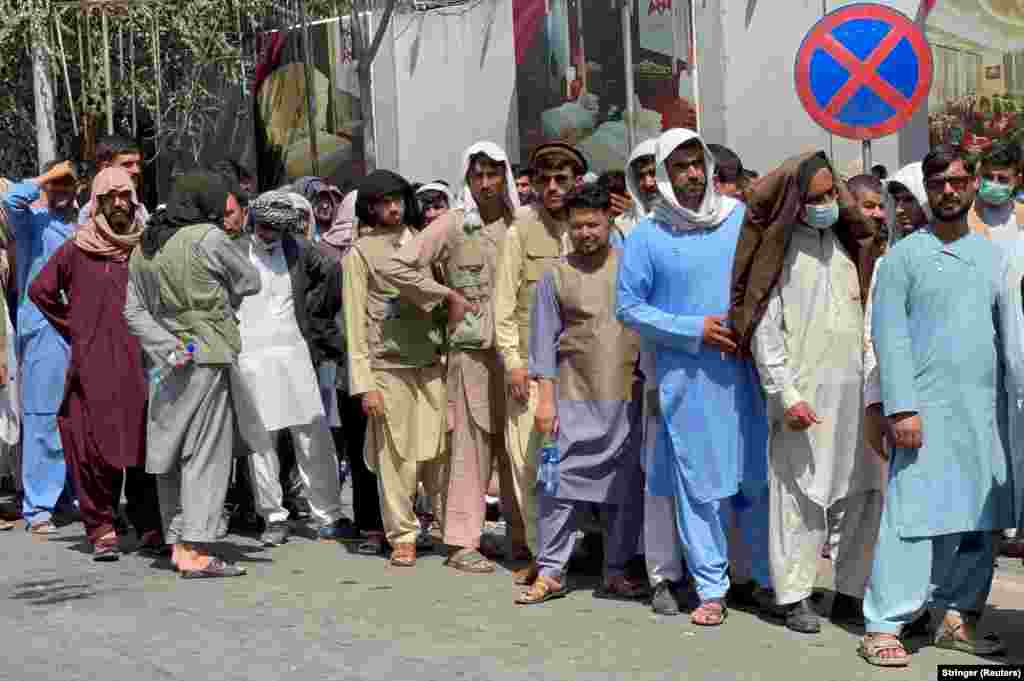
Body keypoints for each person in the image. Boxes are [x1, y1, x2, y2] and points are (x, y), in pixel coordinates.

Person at [860, 146, 1012, 666]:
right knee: (910, 518)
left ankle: (956, 616)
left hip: (985, 414)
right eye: (938, 182)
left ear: (970, 184)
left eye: (957, 180)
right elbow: (889, 338)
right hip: (922, 413)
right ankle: (884, 623)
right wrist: (900, 408)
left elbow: (1008, 336)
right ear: (927, 189)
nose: (949, 190)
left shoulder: (994, 256)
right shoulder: (901, 258)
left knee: (981, 517)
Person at [617, 129, 770, 627]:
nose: (691, 175)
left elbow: (764, 281)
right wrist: (693, 329)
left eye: (696, 164)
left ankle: (759, 579)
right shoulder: (647, 236)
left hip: (744, 370)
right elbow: (629, 307)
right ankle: (710, 587)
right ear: (662, 175)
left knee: (751, 478)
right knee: (697, 483)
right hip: (685, 377)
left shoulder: (739, 221)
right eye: (679, 166)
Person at [734, 151, 885, 633]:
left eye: (830, 196)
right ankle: (795, 594)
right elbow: (765, 332)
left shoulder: (848, 249)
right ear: (795, 201)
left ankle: (851, 591)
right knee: (798, 497)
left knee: (861, 496)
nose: (825, 205)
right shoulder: (780, 254)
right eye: (814, 197)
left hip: (855, 396)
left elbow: (867, 322)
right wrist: (786, 396)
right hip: (803, 400)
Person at [379, 142, 520, 573]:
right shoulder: (455, 225)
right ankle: (461, 542)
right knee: (471, 447)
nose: (486, 183)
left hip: (517, 354)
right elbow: (398, 267)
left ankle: (524, 538)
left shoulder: (521, 224)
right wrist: (446, 296)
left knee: (517, 447)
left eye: (494, 173)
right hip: (472, 353)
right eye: (477, 174)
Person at [124, 171, 259, 578]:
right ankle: (194, 548)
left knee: (170, 451)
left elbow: (133, 312)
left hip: (168, 360)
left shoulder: (144, 246)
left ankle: (178, 539)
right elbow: (250, 281)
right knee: (205, 451)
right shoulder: (207, 237)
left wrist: (167, 346)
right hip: (208, 352)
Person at [516, 183, 646, 605]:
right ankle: (552, 570)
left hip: (628, 397)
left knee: (624, 488)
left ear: (609, 221)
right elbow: (542, 345)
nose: (586, 232)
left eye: (593, 224)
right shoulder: (555, 276)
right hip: (572, 398)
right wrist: (546, 401)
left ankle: (616, 570)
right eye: (578, 226)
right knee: (557, 486)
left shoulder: (632, 268)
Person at [27, 167, 163, 560]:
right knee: (94, 448)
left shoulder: (146, 245)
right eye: (111, 197)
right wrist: (76, 327)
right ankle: (101, 527)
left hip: (142, 363)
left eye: (125, 196)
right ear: (98, 203)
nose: (119, 204)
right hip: (94, 363)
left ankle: (150, 524)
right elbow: (42, 290)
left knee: (143, 444)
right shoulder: (78, 247)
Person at [232, 191, 351, 547]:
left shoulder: (298, 249)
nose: (270, 234)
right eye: (265, 226)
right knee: (262, 439)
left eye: (277, 229)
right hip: (251, 354)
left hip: (294, 352)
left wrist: (316, 316)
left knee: (312, 429)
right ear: (254, 222)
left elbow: (332, 271)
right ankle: (273, 517)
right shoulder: (235, 249)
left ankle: (328, 513)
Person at [342, 170, 447, 568]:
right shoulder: (359, 254)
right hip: (387, 368)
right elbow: (354, 323)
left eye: (398, 199)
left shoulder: (424, 243)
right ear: (370, 206)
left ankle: (441, 528)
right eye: (384, 201)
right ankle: (402, 535)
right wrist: (365, 385)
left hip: (432, 363)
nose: (393, 207)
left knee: (437, 451)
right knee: (395, 457)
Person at [494, 142, 586, 584]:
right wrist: (512, 362)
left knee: (582, 463)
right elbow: (504, 305)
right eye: (545, 179)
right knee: (531, 466)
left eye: (562, 179)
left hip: (583, 372)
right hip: (531, 373)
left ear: (576, 182)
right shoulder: (520, 231)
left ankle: (585, 550)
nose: (553, 188)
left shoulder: (591, 225)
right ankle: (543, 555)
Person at [3, 160, 78, 534]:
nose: (63, 192)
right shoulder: (33, 224)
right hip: (42, 330)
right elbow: (11, 200)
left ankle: (74, 496)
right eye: (57, 186)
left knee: (79, 416)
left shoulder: (84, 227)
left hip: (80, 330)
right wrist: (47, 178)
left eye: (69, 185)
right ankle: (40, 507)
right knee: (42, 417)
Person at [79, 135, 148, 226]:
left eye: (138, 164)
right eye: (127, 164)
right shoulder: (91, 214)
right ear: (106, 168)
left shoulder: (140, 210)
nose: (137, 170)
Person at [967, 142, 1024, 248]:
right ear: (978, 174)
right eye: (988, 177)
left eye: (1002, 179)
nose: (994, 184)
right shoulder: (962, 218)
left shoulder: (1022, 216)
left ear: (1018, 180)